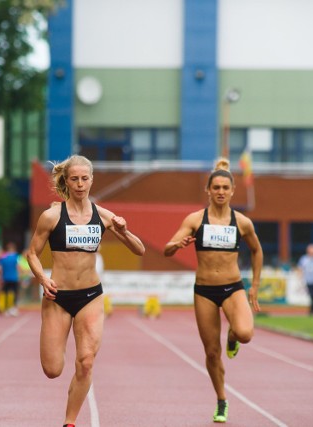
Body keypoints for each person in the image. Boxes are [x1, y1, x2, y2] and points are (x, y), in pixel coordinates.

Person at [26, 155, 145, 427]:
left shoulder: (104, 216)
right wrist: (43, 278)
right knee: (53, 369)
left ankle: (70, 422)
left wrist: (124, 232)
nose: (80, 184)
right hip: (58, 297)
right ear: (66, 181)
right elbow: (32, 253)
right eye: (74, 179)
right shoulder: (52, 216)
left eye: (84, 179)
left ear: (92, 180)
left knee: (86, 361)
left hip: (90, 296)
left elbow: (140, 249)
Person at [163, 158, 262, 424]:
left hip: (232, 287)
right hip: (205, 290)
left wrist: (254, 286)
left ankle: (232, 336)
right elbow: (167, 248)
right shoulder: (195, 220)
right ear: (208, 190)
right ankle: (221, 399)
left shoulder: (241, 222)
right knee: (210, 352)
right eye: (215, 187)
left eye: (224, 188)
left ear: (232, 191)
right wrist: (178, 244)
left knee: (245, 333)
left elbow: (256, 250)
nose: (220, 191)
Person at [0, 241, 21, 316]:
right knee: (15, 293)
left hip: (5, 278)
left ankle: (5, 309)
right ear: (14, 249)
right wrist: (20, 277)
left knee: (5, 293)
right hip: (14, 278)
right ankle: (13, 308)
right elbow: (18, 267)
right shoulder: (16, 257)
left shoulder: (3, 257)